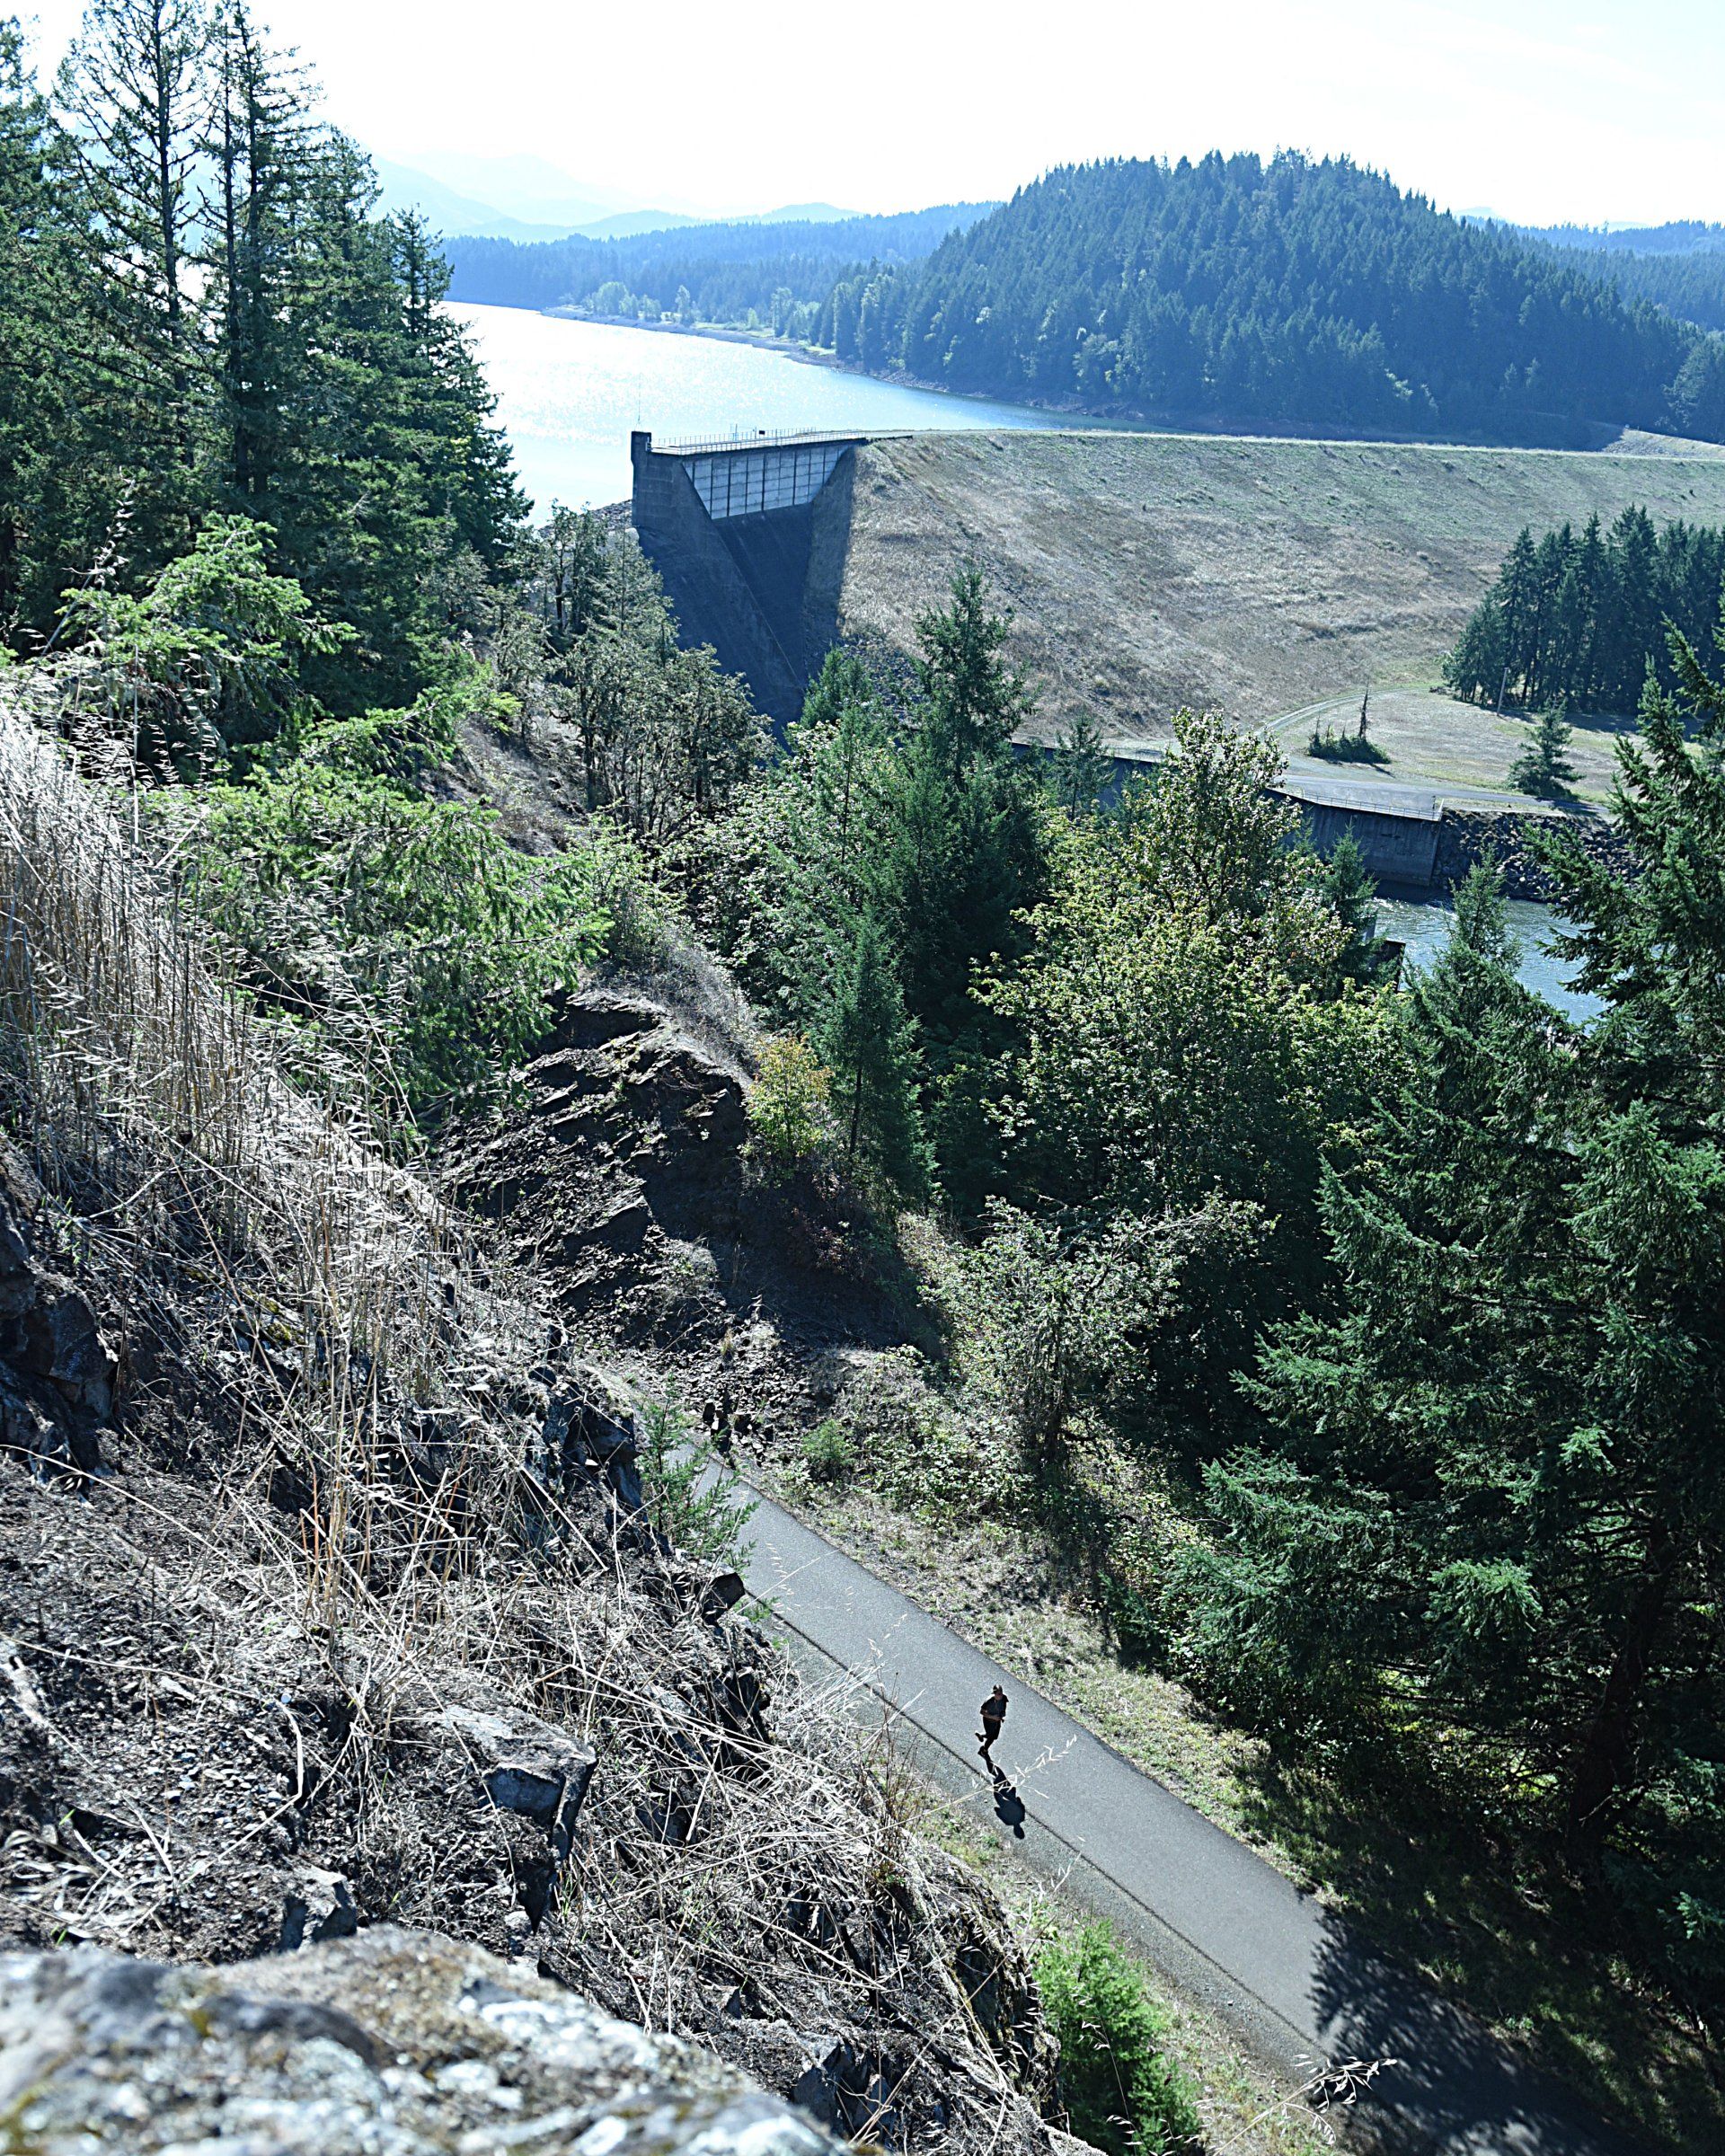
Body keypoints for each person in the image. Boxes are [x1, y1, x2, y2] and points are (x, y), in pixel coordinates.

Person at [978, 1684, 1008, 1766]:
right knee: (991, 1737)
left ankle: (981, 1736)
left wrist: (1001, 1716)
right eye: (998, 1694)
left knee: (994, 1737)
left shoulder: (1004, 1698)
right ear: (994, 1693)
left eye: (1001, 1693)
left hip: (997, 1721)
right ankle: (984, 1751)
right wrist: (993, 1717)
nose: (1000, 1695)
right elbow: (982, 1712)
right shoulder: (989, 1700)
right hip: (988, 1721)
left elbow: (1004, 1709)